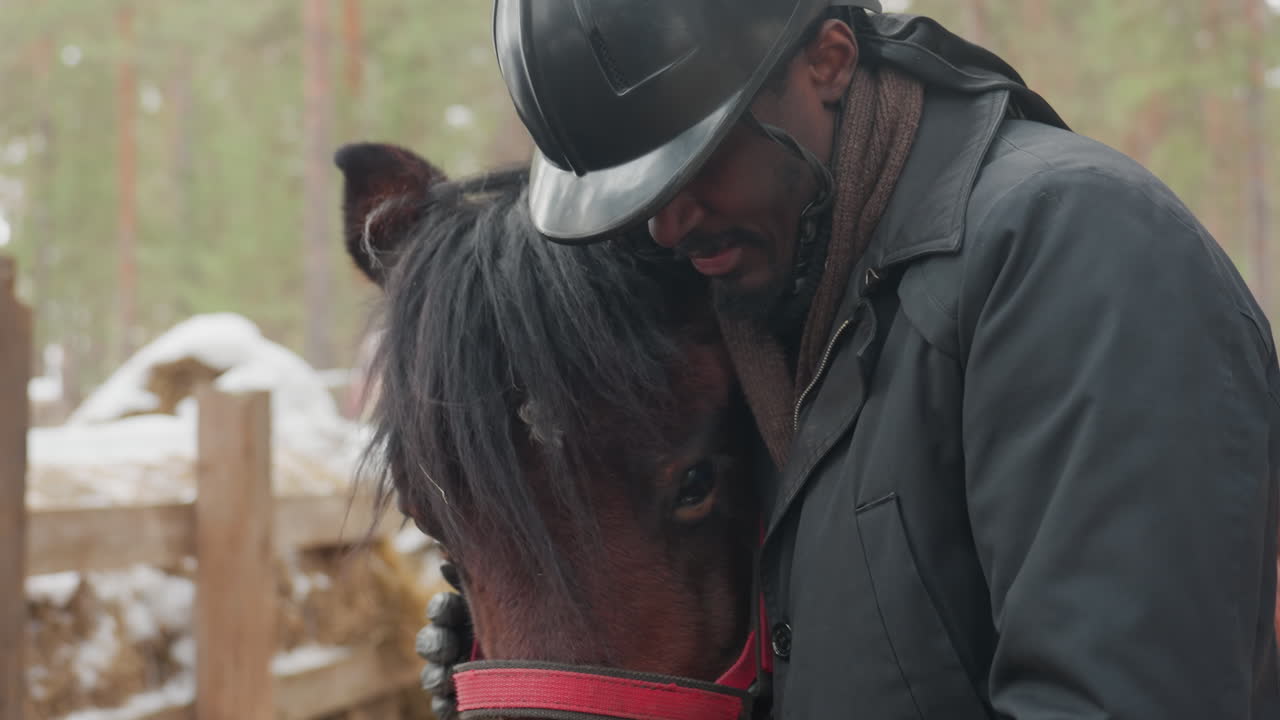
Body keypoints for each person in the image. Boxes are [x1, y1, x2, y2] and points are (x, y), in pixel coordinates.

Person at [418, 2, 1280, 717]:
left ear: (828, 61)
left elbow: (1121, 695)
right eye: (635, 193)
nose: (666, 226)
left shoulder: (1076, 250)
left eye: (697, 160)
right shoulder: (779, 300)